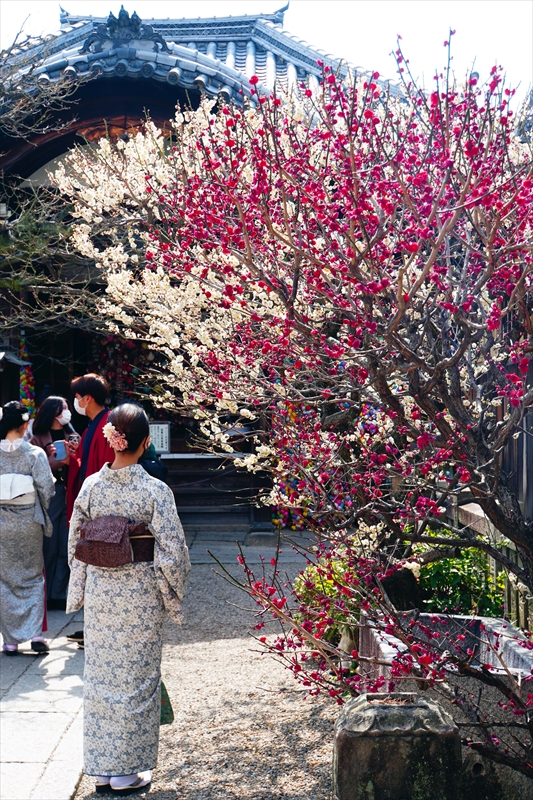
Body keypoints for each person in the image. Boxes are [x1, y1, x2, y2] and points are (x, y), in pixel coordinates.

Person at [67, 403, 190, 795]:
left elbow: (77, 542)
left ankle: (102, 769)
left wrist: (80, 587)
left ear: (110, 439)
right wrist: (173, 591)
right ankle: (124, 773)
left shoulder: (90, 486)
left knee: (101, 678)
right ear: (146, 442)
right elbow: (173, 550)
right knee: (136, 678)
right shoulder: (155, 489)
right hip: (139, 593)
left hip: (103, 593)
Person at [0, 401, 55, 655]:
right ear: (25, 424)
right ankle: (34, 633)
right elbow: (46, 488)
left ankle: (10, 640)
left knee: (5, 578)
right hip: (28, 522)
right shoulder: (34, 453)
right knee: (32, 576)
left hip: (1, 522)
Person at [66, 373, 114, 647]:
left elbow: (103, 468)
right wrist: (77, 455)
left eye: (76, 397)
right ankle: (91, 626)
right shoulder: (95, 424)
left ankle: (97, 628)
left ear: (88, 398)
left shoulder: (106, 424)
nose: (75, 402)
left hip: (99, 510)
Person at [30, 396, 78, 610]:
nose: (67, 411)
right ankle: (46, 594)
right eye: (63, 408)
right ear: (52, 411)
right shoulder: (37, 438)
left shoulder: (73, 433)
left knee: (66, 544)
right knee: (49, 545)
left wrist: (74, 458)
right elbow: (35, 470)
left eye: (67, 407)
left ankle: (60, 593)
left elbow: (79, 462)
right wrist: (57, 459)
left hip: (70, 491)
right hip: (50, 493)